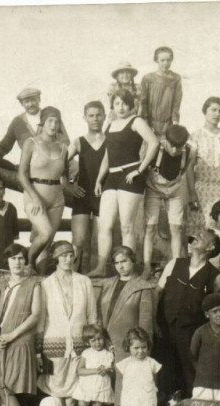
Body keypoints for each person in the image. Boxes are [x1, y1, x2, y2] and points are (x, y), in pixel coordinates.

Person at [89, 89, 159, 277]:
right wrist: (99, 179)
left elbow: (154, 143)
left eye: (125, 103)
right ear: (113, 105)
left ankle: (127, 270)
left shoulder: (136, 121)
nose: (121, 107)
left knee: (127, 226)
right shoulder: (110, 124)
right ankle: (101, 267)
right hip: (111, 176)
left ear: (131, 104)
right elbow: (107, 154)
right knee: (105, 225)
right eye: (117, 103)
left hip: (131, 175)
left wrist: (140, 169)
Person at [156, 229, 220, 399]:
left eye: (202, 237)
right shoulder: (175, 263)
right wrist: (153, 323)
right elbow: (157, 293)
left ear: (211, 247)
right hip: (164, 328)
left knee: (189, 375)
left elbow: (213, 310)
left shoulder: (216, 277)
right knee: (163, 375)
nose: (195, 238)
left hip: (191, 334)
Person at [98, 246, 156, 406]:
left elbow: (146, 321)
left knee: (129, 389)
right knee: (115, 390)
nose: (121, 266)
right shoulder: (107, 285)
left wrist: (139, 348)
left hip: (130, 346)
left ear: (133, 261)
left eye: (124, 261)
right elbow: (101, 314)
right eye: (117, 262)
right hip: (109, 344)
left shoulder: (143, 286)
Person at [0, 244, 42, 406]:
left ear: (25, 261)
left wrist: (12, 335)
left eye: (21, 258)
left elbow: (35, 315)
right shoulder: (0, 286)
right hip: (0, 343)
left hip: (20, 341)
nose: (17, 262)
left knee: (10, 388)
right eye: (13, 259)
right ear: (7, 262)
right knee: (1, 389)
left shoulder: (34, 285)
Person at [37, 241, 97, 406]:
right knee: (56, 391)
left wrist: (91, 345)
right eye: (63, 255)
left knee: (74, 393)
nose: (68, 259)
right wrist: (38, 351)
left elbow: (92, 316)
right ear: (55, 258)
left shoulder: (84, 281)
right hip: (53, 346)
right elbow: (40, 321)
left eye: (71, 255)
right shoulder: (46, 284)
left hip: (79, 345)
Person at [17, 107, 70, 267]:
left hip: (57, 200)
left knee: (47, 243)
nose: (53, 125)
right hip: (35, 196)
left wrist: (70, 187)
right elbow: (21, 175)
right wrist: (35, 198)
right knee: (45, 233)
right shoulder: (31, 143)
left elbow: (64, 176)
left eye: (57, 121)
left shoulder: (63, 147)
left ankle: (40, 274)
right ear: (43, 122)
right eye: (50, 121)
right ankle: (29, 263)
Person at [142, 124, 195, 278]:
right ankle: (146, 267)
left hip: (175, 191)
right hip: (154, 188)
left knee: (176, 228)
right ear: (165, 140)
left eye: (179, 147)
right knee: (150, 227)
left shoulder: (189, 151)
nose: (175, 151)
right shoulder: (156, 148)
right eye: (172, 146)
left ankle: (176, 266)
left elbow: (183, 171)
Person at [187, 96, 220, 234]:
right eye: (213, 110)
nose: (216, 114)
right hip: (202, 190)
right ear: (205, 111)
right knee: (201, 232)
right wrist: (192, 193)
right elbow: (189, 167)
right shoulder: (195, 136)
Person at [67, 101, 107, 272]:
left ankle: (96, 280)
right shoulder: (78, 142)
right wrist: (67, 185)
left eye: (98, 115)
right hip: (82, 194)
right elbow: (60, 164)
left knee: (99, 242)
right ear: (85, 118)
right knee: (78, 240)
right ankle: (70, 276)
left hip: (104, 195)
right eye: (91, 115)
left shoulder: (111, 140)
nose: (95, 119)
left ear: (104, 116)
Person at [71, 324, 115, 406]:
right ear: (88, 341)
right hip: (86, 388)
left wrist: (106, 369)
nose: (97, 343)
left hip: (100, 388)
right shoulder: (86, 353)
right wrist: (96, 370)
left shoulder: (108, 354)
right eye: (93, 340)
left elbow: (112, 371)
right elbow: (79, 371)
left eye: (100, 339)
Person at [0, 88, 70, 158]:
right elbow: (4, 146)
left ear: (39, 99)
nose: (30, 104)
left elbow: (65, 142)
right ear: (21, 104)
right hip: (30, 166)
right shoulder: (17, 122)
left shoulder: (51, 116)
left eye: (33, 100)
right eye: (26, 101)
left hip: (53, 162)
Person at [138, 46, 182, 136]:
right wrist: (146, 122)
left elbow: (177, 102)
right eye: (162, 60)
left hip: (168, 124)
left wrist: (175, 123)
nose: (166, 63)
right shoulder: (148, 78)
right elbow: (143, 101)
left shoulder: (175, 78)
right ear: (156, 60)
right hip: (150, 123)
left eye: (168, 60)